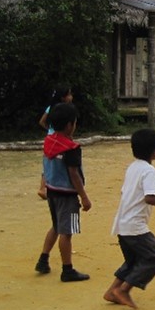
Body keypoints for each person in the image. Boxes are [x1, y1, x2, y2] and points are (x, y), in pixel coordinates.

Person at [105, 129, 155, 309]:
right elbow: (150, 198)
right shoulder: (149, 172)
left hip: (122, 223)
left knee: (133, 260)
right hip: (134, 226)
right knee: (154, 256)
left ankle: (112, 290)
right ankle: (124, 289)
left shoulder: (133, 167)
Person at [34, 103, 92, 282]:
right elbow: (74, 174)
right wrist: (84, 196)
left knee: (56, 226)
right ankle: (67, 269)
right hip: (68, 195)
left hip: (53, 192)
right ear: (69, 125)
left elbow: (45, 166)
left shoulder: (48, 142)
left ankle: (43, 259)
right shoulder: (71, 148)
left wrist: (44, 186)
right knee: (67, 232)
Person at [37, 84, 73, 199]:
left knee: (48, 162)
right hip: (59, 138)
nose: (71, 97)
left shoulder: (51, 107)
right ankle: (50, 187)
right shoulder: (65, 110)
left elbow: (42, 121)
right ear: (63, 97)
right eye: (69, 94)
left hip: (50, 137)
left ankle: (43, 187)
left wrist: (49, 130)